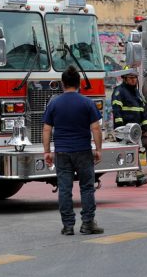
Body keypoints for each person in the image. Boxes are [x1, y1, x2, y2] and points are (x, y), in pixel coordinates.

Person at [42, 65, 104, 236]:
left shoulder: (54, 103)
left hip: (61, 152)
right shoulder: (87, 103)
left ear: (63, 84)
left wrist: (47, 151)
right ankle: (87, 224)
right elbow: (96, 129)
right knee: (86, 187)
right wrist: (98, 149)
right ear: (79, 84)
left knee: (64, 189)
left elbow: (47, 129)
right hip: (83, 151)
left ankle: (68, 225)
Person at [111, 66, 147, 186]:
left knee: (130, 152)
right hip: (124, 129)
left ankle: (122, 179)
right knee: (127, 152)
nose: (134, 80)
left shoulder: (136, 92)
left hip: (134, 130)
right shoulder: (119, 91)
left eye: (135, 78)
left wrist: (145, 127)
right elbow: (116, 110)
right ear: (124, 78)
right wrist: (120, 128)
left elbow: (142, 110)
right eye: (131, 78)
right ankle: (137, 176)